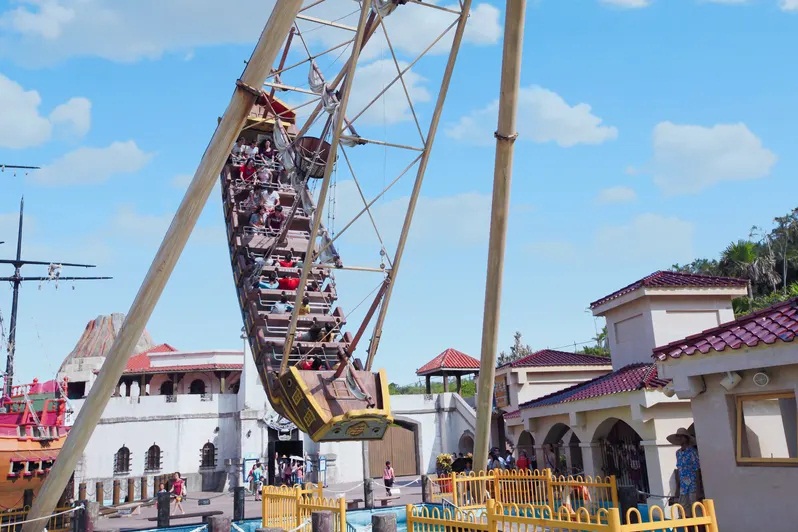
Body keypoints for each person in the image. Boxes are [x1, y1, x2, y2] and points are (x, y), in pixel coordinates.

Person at [667, 428, 702, 516]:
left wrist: (699, 489)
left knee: (695, 511)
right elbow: (679, 471)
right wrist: (677, 490)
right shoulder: (678, 453)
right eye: (678, 437)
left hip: (693, 485)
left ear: (686, 438)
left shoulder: (692, 452)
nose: (680, 439)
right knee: (683, 511)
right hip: (683, 487)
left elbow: (697, 470)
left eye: (681, 436)